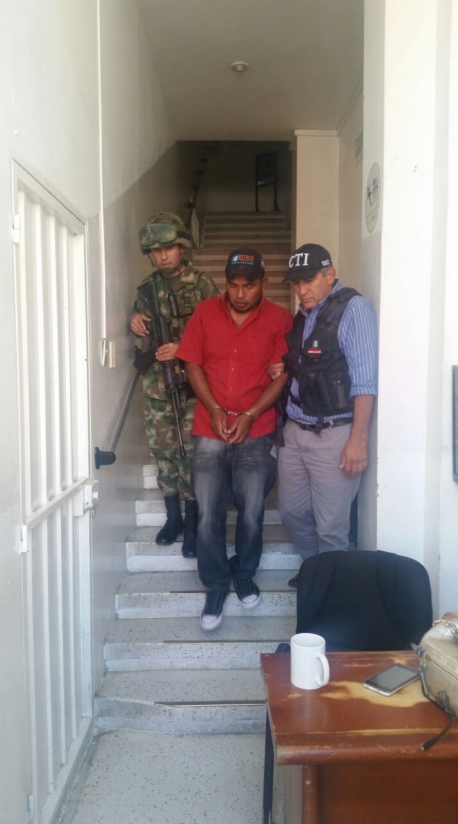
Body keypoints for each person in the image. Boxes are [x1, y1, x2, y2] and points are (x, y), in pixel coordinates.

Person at [176, 248, 293, 630]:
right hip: (209, 427)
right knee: (208, 512)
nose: (240, 294)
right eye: (233, 285)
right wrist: (212, 408)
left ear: (264, 283)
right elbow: (192, 362)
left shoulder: (280, 319)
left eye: (249, 285)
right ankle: (215, 583)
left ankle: (243, 572)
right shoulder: (205, 312)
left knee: (252, 511)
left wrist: (250, 414)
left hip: (256, 429)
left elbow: (281, 375)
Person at [276, 243, 378, 586]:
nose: (301, 290)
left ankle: (330, 591)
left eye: (309, 281)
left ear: (330, 275)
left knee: (331, 526)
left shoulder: (353, 309)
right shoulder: (305, 314)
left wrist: (358, 441)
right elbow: (308, 366)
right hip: (295, 431)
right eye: (296, 283)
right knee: (291, 513)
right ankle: (316, 570)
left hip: (333, 434)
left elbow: (365, 382)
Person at [130, 212, 219, 558]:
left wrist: (182, 348)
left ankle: (194, 523)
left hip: (192, 385)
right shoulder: (146, 289)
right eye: (156, 251)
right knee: (164, 451)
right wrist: (135, 320)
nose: (163, 256)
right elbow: (141, 336)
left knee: (192, 452)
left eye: (168, 248)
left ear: (182, 248)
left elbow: (218, 336)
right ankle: (173, 518)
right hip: (157, 384)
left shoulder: (203, 286)